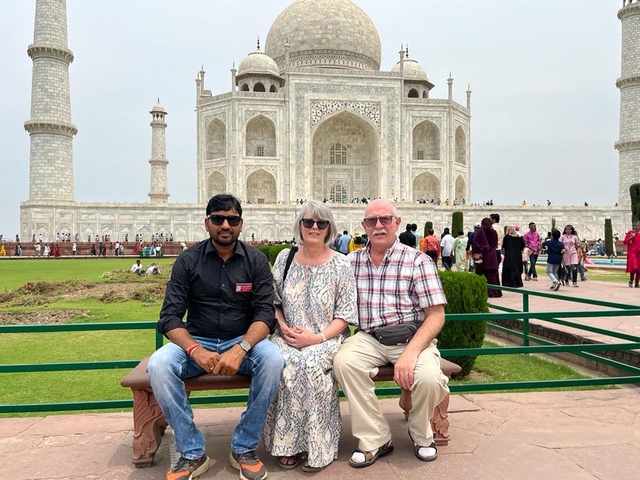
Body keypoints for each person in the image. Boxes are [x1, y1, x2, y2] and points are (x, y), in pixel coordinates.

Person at [147, 194, 285, 480]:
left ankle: (244, 447)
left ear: (241, 224)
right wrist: (195, 349)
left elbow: (265, 315)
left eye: (232, 220)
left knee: (273, 360)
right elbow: (170, 317)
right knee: (159, 365)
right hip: (199, 341)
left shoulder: (256, 261)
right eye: (218, 219)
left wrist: (242, 348)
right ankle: (191, 451)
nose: (225, 225)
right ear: (207, 223)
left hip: (244, 341)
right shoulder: (188, 261)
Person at [333, 199, 450, 468]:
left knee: (430, 378)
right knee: (344, 363)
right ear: (363, 226)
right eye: (372, 221)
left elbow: (436, 316)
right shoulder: (350, 262)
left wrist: (409, 354)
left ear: (396, 222)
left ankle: (421, 434)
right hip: (369, 337)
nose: (378, 226)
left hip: (412, 337)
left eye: (385, 219)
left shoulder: (417, 261)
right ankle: (376, 437)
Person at [263, 201, 358, 472]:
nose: (314, 227)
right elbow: (274, 302)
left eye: (321, 223)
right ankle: (286, 445)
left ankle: (319, 446)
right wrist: (282, 327)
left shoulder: (341, 264)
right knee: (285, 366)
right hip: (288, 336)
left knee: (312, 367)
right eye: (308, 222)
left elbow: (346, 314)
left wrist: (316, 338)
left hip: (326, 338)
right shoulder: (285, 258)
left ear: (329, 229)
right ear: (300, 226)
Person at [472, 217, 502, 298]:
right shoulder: (494, 232)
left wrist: (476, 253)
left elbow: (475, 244)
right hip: (492, 257)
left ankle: (484, 292)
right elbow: (495, 244)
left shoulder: (480, 232)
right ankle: (495, 292)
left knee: (482, 274)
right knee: (492, 274)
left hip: (483, 258)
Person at [623, 221, 640, 287]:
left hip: (639, 253)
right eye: (636, 225)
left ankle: (637, 283)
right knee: (634, 267)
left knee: (639, 268)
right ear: (634, 226)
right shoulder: (631, 233)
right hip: (632, 253)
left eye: (638, 226)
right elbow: (625, 242)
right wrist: (631, 238)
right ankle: (631, 280)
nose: (637, 227)